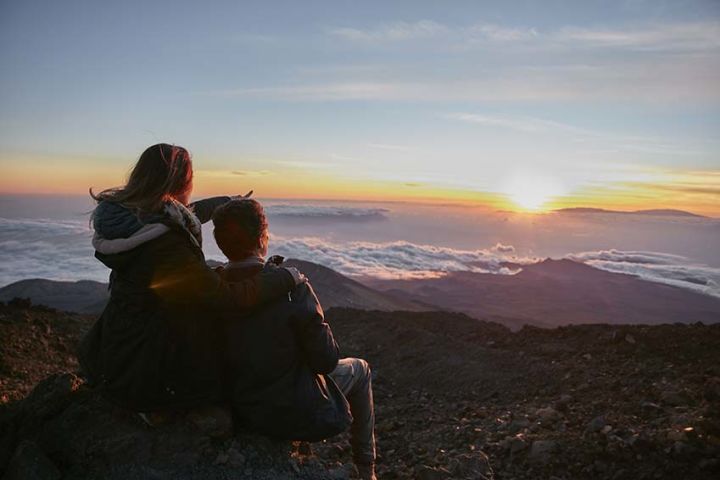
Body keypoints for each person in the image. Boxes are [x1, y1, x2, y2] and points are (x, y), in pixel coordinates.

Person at [77, 143, 305, 413]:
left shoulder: (127, 222)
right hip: (150, 374)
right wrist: (286, 279)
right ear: (179, 183)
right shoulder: (167, 246)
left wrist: (226, 202)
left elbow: (179, 214)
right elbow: (226, 298)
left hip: (117, 351)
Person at [212, 199, 377, 480]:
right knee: (360, 370)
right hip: (289, 409)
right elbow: (326, 361)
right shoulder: (292, 289)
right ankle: (366, 469)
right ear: (262, 238)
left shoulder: (212, 288)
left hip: (238, 405)